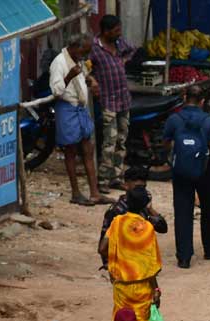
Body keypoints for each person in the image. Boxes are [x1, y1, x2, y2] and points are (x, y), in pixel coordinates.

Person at [164, 86, 210, 268]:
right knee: (208, 208)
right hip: (205, 169)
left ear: (185, 97)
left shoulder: (174, 119)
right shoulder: (208, 121)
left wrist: (172, 158)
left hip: (182, 169)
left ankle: (184, 256)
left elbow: (166, 142)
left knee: (183, 211)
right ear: (202, 101)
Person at [103, 187, 163, 321]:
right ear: (145, 205)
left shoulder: (117, 223)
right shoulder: (148, 228)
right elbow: (151, 266)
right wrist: (156, 290)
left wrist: (114, 262)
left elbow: (102, 248)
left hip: (121, 285)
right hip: (142, 287)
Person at [49, 34, 104, 206]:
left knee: (88, 149)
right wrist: (69, 76)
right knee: (71, 151)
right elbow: (56, 91)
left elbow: (84, 76)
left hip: (80, 108)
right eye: (84, 51)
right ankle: (75, 192)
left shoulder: (77, 60)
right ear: (74, 47)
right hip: (66, 109)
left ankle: (95, 192)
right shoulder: (59, 62)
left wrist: (91, 80)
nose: (85, 56)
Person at [93, 15, 137, 190]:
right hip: (108, 101)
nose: (119, 34)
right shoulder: (95, 48)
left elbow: (133, 49)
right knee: (109, 142)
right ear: (106, 31)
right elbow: (83, 66)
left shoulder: (119, 44)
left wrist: (125, 60)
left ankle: (116, 177)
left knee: (121, 140)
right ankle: (103, 180)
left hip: (123, 100)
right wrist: (92, 80)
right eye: (116, 31)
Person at [99, 167, 168, 247]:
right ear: (126, 185)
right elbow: (103, 247)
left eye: (143, 187)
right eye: (137, 187)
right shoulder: (116, 211)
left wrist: (150, 209)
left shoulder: (143, 204)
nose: (141, 191)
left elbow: (163, 228)